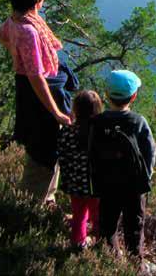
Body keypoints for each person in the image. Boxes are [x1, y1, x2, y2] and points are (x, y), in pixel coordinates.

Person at [0, 0, 76, 204]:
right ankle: (30, 207)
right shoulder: (29, 31)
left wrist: (16, 55)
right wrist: (55, 112)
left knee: (49, 149)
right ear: (38, 0)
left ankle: (46, 199)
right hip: (39, 97)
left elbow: (1, 36)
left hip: (32, 91)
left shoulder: (15, 20)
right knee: (43, 151)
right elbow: (36, 77)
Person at [90, 70, 155, 259]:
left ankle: (111, 262)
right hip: (134, 187)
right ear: (133, 96)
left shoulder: (98, 122)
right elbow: (150, 153)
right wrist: (146, 178)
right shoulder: (138, 122)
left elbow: (91, 152)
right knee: (134, 227)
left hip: (106, 185)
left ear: (107, 94)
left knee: (107, 226)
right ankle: (136, 266)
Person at [57, 90, 103, 249]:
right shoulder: (100, 132)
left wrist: (67, 179)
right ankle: (100, 244)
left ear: (75, 109)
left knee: (79, 215)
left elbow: (62, 157)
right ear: (98, 109)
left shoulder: (67, 132)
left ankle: (78, 243)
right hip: (96, 184)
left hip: (75, 184)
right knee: (98, 217)